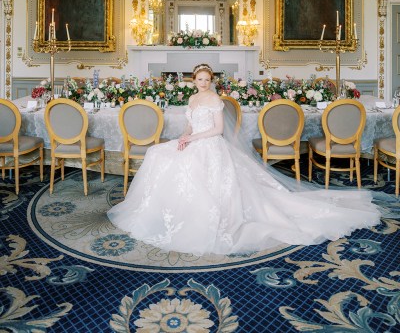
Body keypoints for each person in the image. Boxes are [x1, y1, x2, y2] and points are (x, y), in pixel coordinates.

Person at [107, 64, 382, 256]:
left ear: (210, 81)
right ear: (193, 80)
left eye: (206, 80)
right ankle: (164, 213)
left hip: (210, 146)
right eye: (199, 80)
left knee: (188, 169)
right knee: (158, 153)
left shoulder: (214, 98)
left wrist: (192, 139)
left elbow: (217, 130)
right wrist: (183, 136)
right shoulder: (192, 99)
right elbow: (190, 126)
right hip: (193, 142)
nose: (202, 83)